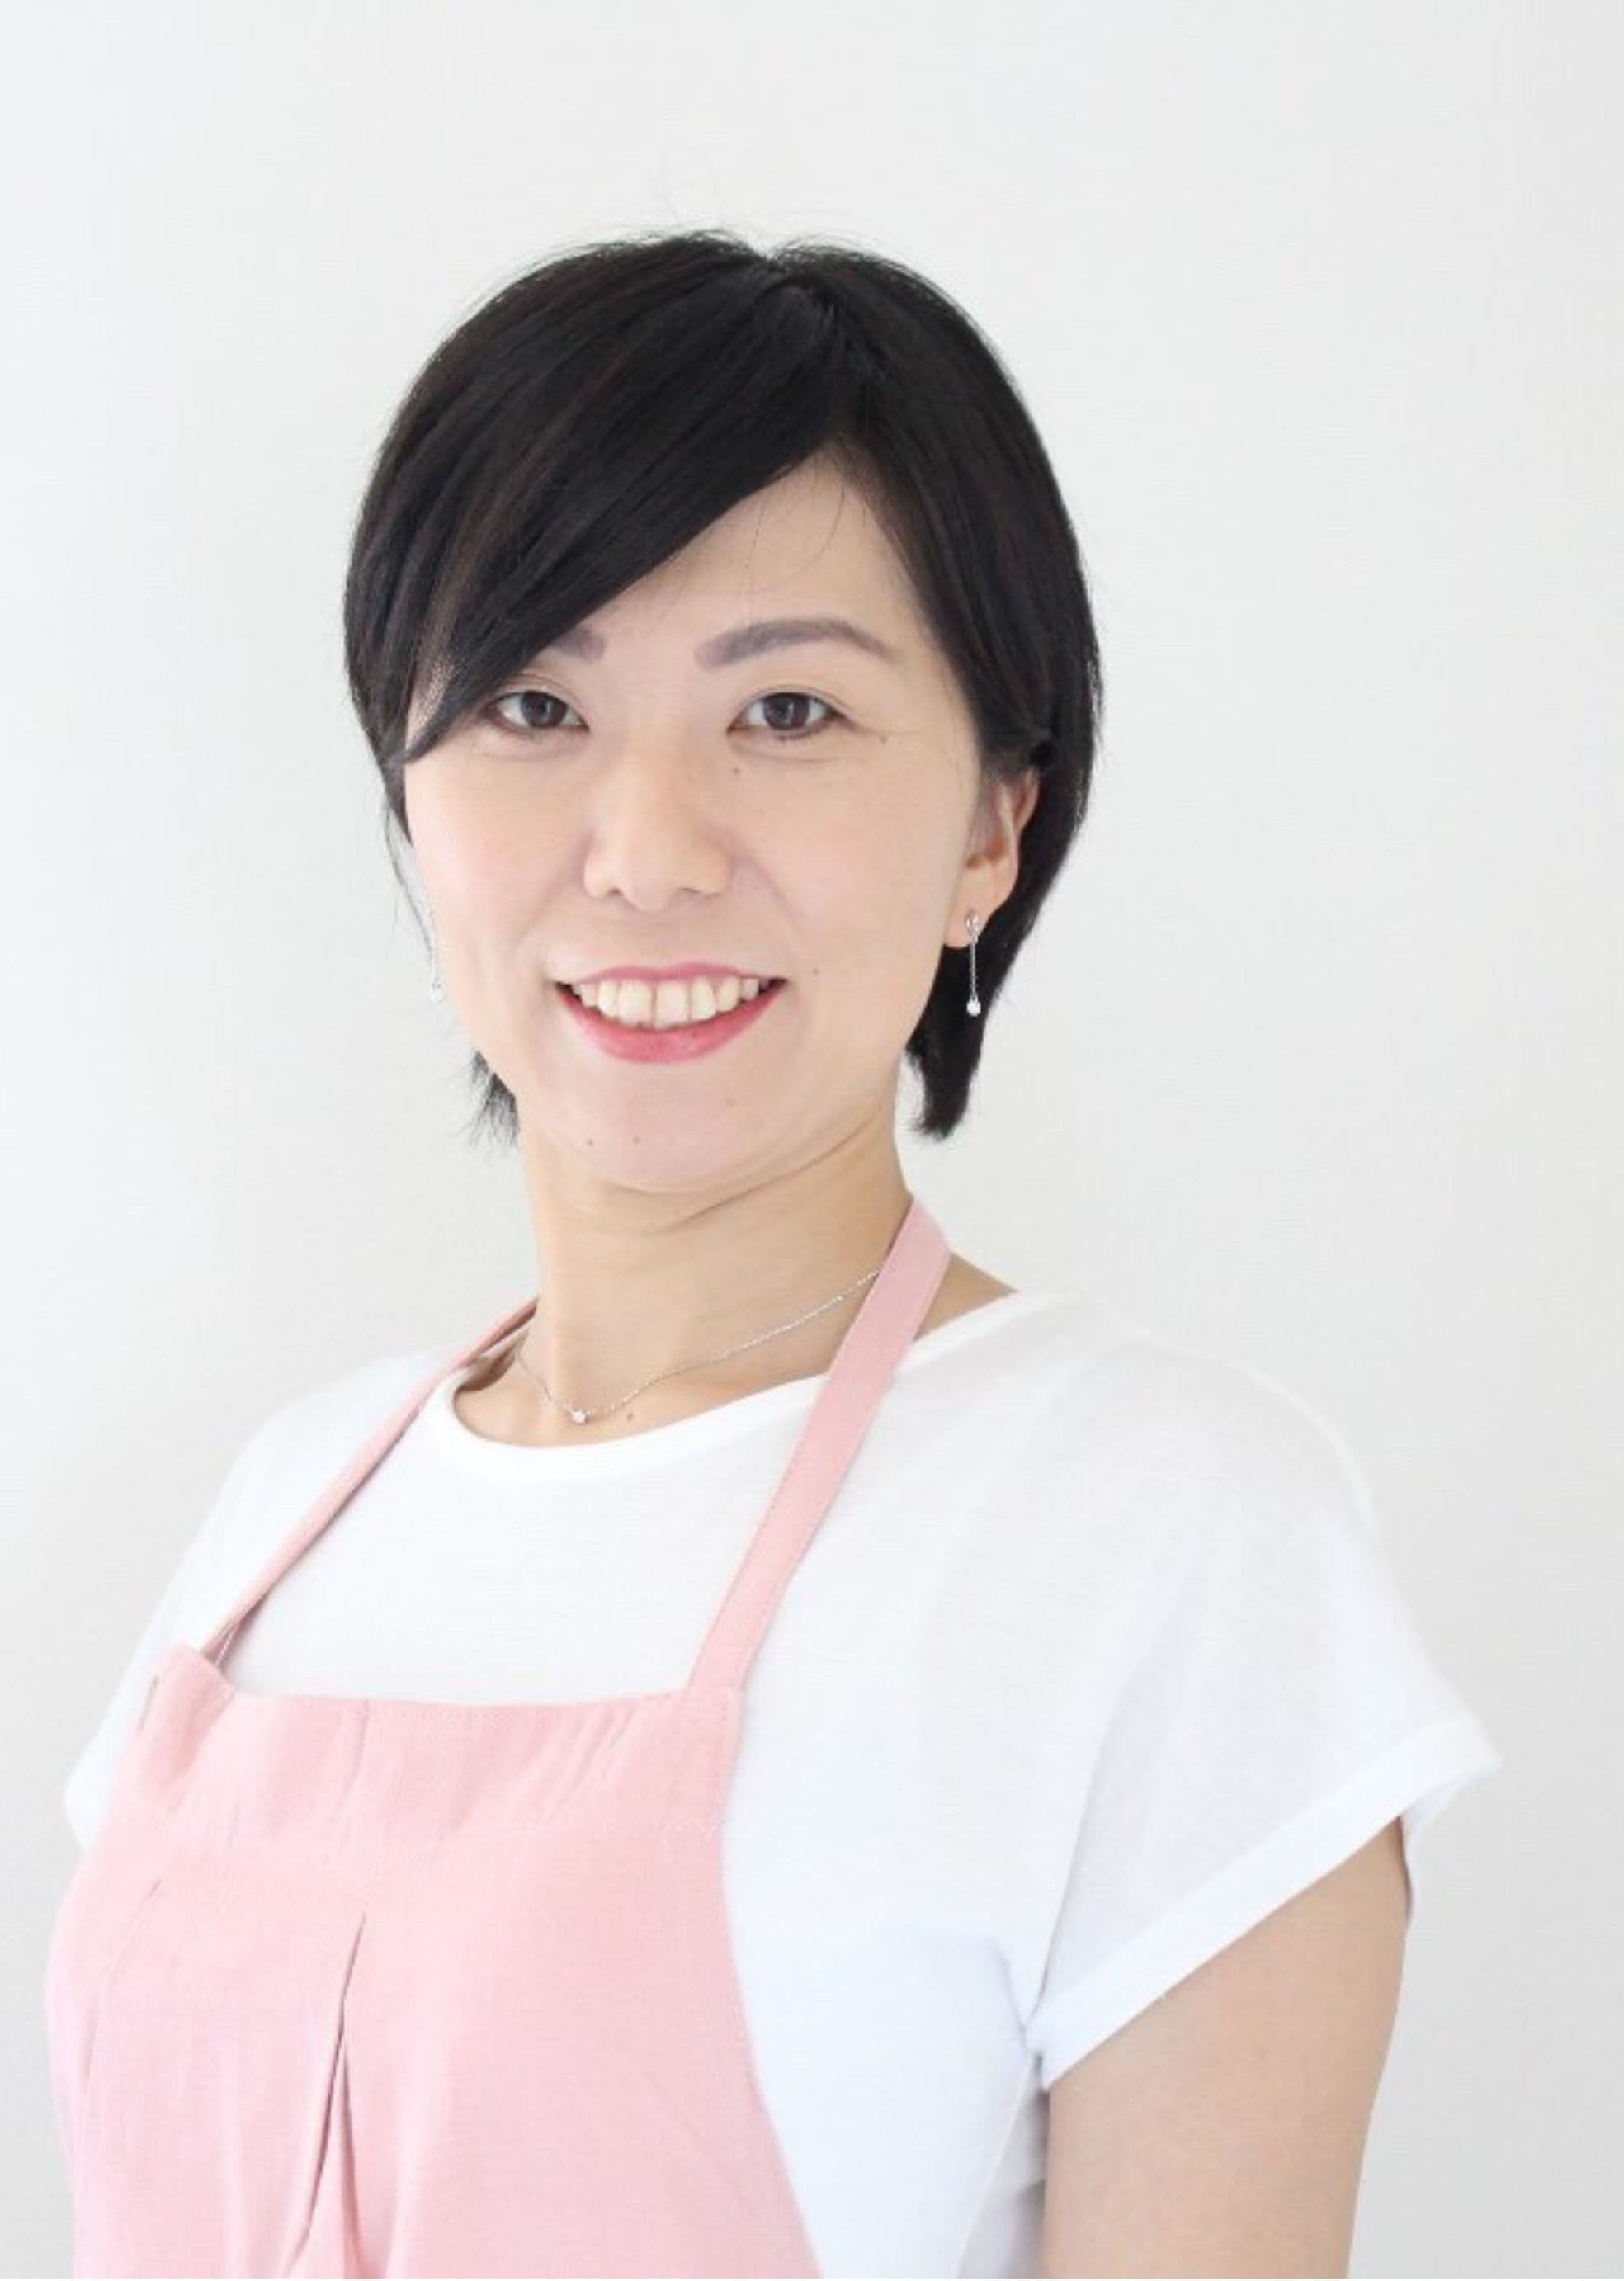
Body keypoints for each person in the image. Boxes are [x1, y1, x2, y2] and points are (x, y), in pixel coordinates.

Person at [45, 229, 1501, 2279]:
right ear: (409, 789)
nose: (646, 848)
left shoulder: (1173, 1535)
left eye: (788, 708)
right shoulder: (287, 1509)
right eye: (534, 702)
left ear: (992, 826)